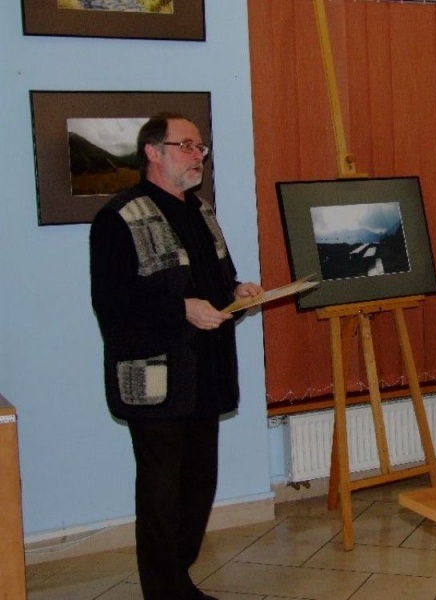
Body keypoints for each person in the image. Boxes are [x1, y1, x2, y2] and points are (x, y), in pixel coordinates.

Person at [90, 113, 263, 600]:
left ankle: (178, 580)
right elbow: (114, 301)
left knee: (198, 486)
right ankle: (164, 592)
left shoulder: (201, 211)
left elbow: (213, 281)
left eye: (200, 148)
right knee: (162, 494)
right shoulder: (119, 217)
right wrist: (180, 309)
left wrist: (237, 291)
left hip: (205, 373)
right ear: (153, 152)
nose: (197, 156)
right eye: (186, 146)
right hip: (155, 378)